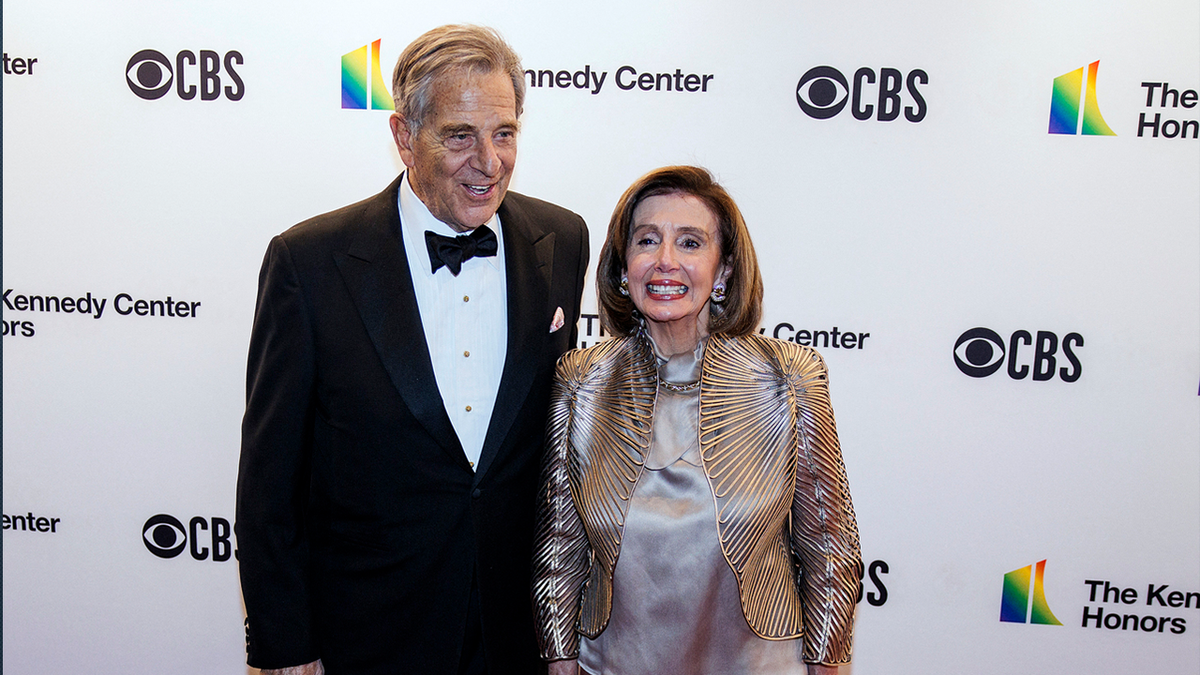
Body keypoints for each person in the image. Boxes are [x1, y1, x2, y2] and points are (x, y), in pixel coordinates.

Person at [236, 25, 589, 675]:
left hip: (516, 632)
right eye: (460, 135)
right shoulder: (309, 261)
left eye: (504, 133)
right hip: (367, 631)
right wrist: (285, 644)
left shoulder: (561, 238)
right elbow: (269, 480)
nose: (489, 161)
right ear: (404, 136)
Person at [532, 166, 861, 675]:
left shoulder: (788, 378)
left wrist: (828, 665)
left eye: (690, 243)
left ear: (724, 270)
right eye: (647, 241)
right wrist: (559, 661)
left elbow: (830, 548)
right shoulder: (582, 382)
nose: (666, 262)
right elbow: (560, 548)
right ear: (623, 267)